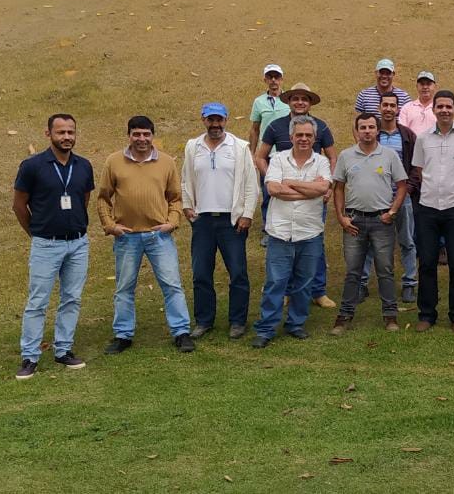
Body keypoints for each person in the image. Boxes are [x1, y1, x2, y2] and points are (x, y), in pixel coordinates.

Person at [97, 116, 195, 354]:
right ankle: (122, 335)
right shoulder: (113, 161)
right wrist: (110, 226)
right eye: (136, 134)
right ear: (129, 135)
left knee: (172, 285)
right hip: (126, 237)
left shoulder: (166, 162)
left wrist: (172, 222)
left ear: (153, 135)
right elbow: (103, 198)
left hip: (158, 236)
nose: (141, 139)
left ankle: (181, 332)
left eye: (146, 134)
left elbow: (175, 198)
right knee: (124, 288)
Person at [13, 114, 96, 380]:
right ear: (48, 134)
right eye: (61, 132)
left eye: (71, 132)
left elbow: (84, 200)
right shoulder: (32, 166)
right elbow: (19, 205)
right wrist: (36, 234)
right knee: (38, 301)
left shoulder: (83, 166)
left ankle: (63, 350)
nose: (67, 137)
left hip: (78, 243)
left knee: (72, 298)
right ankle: (30, 356)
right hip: (46, 245)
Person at [179, 102, 259, 341]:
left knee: (237, 273)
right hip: (202, 220)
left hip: (231, 220)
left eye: (219, 120)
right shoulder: (193, 147)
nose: (215, 124)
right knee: (201, 273)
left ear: (226, 120)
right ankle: (204, 320)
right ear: (203, 119)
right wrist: (186, 205)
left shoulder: (240, 147)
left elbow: (251, 184)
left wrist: (247, 214)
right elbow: (186, 179)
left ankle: (237, 321)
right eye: (210, 119)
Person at [251, 115, 332, 348]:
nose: (304, 139)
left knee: (304, 283)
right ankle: (266, 328)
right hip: (280, 232)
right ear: (291, 137)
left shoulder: (322, 162)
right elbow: (274, 189)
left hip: (309, 232)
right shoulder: (277, 159)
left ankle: (296, 324)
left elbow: (324, 187)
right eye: (299, 135)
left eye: (308, 135)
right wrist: (310, 189)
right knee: (275, 282)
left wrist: (292, 183)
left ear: (315, 138)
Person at [255, 83, 338, 309]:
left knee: (313, 242)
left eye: (304, 99)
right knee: (283, 240)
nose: (300, 102)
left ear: (310, 103)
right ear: (289, 101)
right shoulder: (275, 126)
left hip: (313, 192)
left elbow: (331, 157)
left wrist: (328, 186)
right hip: (283, 193)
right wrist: (269, 177)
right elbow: (261, 156)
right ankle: (285, 290)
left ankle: (318, 291)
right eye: (296, 98)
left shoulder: (320, 126)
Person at [331, 112, 409, 334]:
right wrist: (341, 217)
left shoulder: (390, 155)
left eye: (371, 127)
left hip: (381, 221)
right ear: (357, 130)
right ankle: (344, 317)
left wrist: (392, 211)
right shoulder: (346, 156)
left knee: (385, 270)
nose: (367, 131)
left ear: (378, 130)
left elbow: (402, 185)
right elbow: (338, 188)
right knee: (353, 271)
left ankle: (390, 316)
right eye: (362, 127)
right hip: (354, 221)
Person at [412, 90, 454, 332]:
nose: (444, 110)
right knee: (427, 262)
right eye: (440, 106)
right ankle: (427, 314)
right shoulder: (422, 139)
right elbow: (419, 170)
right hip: (428, 207)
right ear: (434, 110)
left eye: (449, 107)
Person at [362, 91, 419, 303]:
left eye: (392, 105)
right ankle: (362, 284)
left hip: (402, 198)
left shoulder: (407, 136)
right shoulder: (370, 135)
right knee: (368, 243)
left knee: (407, 241)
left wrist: (409, 190)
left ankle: (409, 284)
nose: (388, 109)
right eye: (384, 105)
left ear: (398, 109)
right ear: (379, 108)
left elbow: (415, 166)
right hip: (374, 200)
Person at [249, 63, 288, 226]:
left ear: (282, 79)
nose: (273, 80)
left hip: (286, 152)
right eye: (270, 77)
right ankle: (268, 227)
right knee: (267, 190)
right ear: (265, 80)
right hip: (266, 154)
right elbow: (254, 129)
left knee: (287, 188)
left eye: (276, 77)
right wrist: (252, 153)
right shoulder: (258, 102)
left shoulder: (289, 100)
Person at [398, 70, 439, 135]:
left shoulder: (440, 108)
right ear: (417, 86)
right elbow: (402, 132)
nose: (425, 87)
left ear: (435, 86)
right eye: (422, 84)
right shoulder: (407, 108)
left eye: (428, 84)